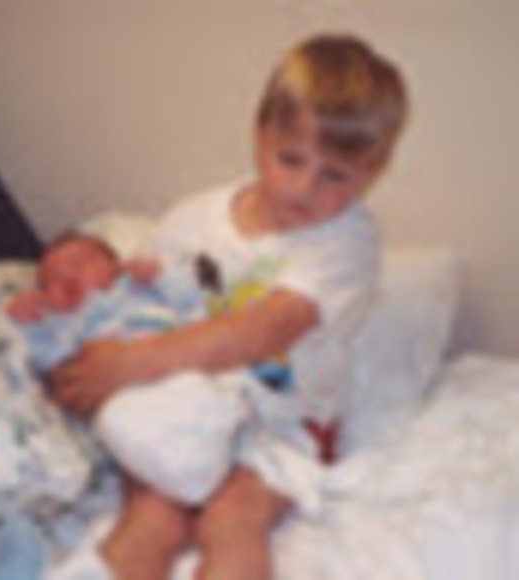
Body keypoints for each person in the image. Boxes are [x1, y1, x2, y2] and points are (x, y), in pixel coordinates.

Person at [48, 33, 409, 580]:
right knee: (152, 516)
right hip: (183, 401)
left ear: (372, 175)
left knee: (232, 519)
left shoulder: (346, 242)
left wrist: (131, 363)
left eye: (335, 175)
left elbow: (261, 332)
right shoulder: (195, 218)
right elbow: (136, 300)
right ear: (260, 135)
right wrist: (78, 340)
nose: (305, 187)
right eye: (290, 159)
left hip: (281, 423)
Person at [7, 232, 249, 505]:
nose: (68, 277)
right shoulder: (66, 325)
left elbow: (196, 299)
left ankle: (214, 428)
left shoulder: (138, 288)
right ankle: (187, 469)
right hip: (126, 398)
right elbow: (48, 362)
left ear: (115, 265)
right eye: (52, 280)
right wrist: (31, 325)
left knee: (201, 387)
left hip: (172, 368)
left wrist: (161, 275)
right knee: (118, 422)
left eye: (80, 263)